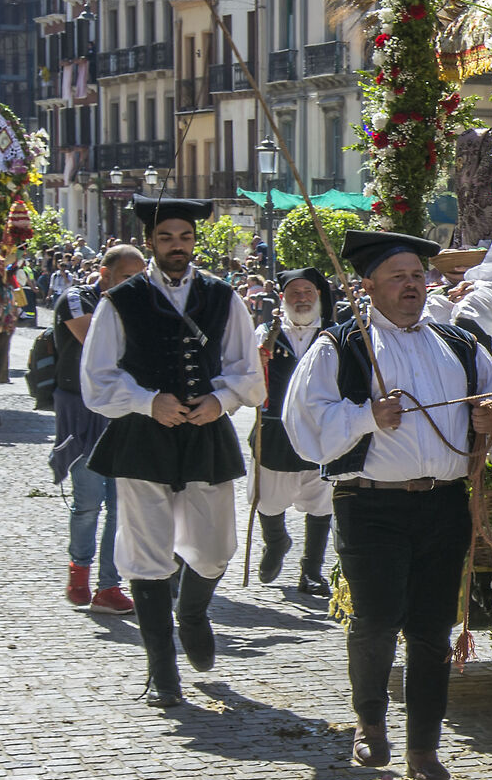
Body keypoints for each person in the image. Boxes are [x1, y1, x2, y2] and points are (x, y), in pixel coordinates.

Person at [285, 230, 492, 780]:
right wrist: (368, 416)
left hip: (444, 504)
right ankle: (370, 725)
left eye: (418, 275)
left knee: (431, 628)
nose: (413, 285)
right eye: (399, 277)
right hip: (370, 507)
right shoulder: (340, 346)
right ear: (366, 286)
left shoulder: (460, 345)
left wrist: (491, 425)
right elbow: (305, 432)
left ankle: (425, 747)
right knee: (375, 620)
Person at [81, 197, 264, 707]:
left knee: (213, 548)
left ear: (193, 241)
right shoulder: (121, 300)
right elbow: (98, 379)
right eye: (166, 238)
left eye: (184, 237)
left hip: (205, 434)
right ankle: (162, 672)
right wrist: (146, 401)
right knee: (147, 553)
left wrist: (221, 399)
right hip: (142, 438)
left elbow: (248, 372)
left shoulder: (224, 297)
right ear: (151, 243)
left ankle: (193, 611)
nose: (176, 246)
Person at [51, 243, 145, 613]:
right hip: (81, 410)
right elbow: (98, 343)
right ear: (104, 274)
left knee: (121, 506)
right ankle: (79, 570)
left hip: (124, 411)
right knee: (89, 501)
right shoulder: (77, 299)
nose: (134, 286)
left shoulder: (139, 305)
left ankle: (109, 586)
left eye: (140, 279)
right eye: (127, 278)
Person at [251, 268, 338, 596]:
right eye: (294, 293)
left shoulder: (334, 334)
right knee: (269, 499)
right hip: (274, 433)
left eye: (307, 293)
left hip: (320, 432)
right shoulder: (265, 334)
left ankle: (311, 572)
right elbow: (246, 375)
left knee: (321, 503)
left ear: (318, 296)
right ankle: (275, 542)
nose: (301, 299)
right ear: (282, 298)